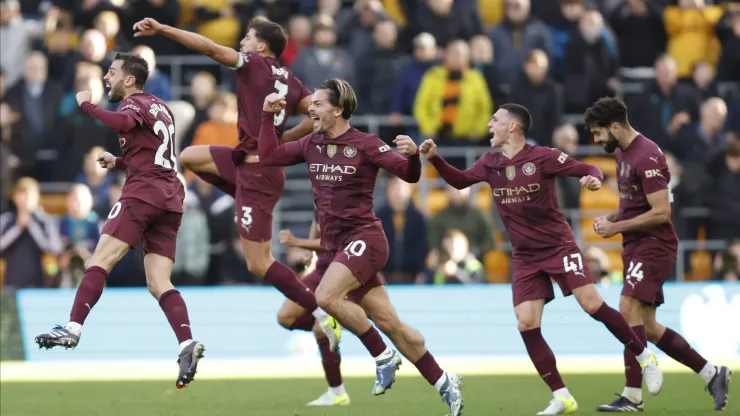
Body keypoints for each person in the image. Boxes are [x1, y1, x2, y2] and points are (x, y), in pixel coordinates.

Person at [419, 103, 663, 416]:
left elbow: (586, 168)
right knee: (526, 322)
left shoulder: (543, 157)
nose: (489, 124)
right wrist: (435, 158)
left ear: (513, 127)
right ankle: (562, 396)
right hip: (525, 256)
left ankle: (645, 358)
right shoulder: (489, 162)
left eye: (495, 119)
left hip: (559, 246)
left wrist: (593, 178)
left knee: (591, 304)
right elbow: (460, 180)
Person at [258, 79, 464, 416]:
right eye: (311, 104)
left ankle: (382, 355)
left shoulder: (366, 144)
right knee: (392, 324)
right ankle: (444, 382)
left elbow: (409, 176)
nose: (310, 109)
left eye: (318, 104)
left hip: (366, 240)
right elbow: (268, 156)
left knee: (325, 297)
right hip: (339, 248)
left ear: (338, 109)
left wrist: (412, 158)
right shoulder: (311, 143)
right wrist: (267, 116)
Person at [131, 17, 340, 349]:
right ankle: (240, 198)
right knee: (189, 156)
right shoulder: (289, 78)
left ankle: (320, 311)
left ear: (260, 46)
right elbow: (317, 116)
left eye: (247, 37)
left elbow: (211, 48)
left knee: (258, 262)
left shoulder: (252, 63)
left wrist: (164, 29)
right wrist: (285, 137)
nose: (241, 41)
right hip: (247, 164)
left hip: (259, 174)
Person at [34, 53, 204, 389]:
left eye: (111, 73)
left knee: (99, 260)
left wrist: (87, 107)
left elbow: (124, 124)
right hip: (170, 199)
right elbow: (156, 156)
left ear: (129, 80)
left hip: (142, 196)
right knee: (159, 282)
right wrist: (120, 161)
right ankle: (186, 343)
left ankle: (72, 328)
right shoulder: (161, 107)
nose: (107, 78)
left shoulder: (133, 104)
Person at [585, 97, 731, 413]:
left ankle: (632, 395)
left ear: (614, 126)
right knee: (647, 327)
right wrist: (613, 218)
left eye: (598, 133)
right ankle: (712, 373)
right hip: (636, 245)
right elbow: (632, 202)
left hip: (654, 245)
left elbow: (662, 212)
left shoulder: (647, 154)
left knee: (626, 307)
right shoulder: (624, 151)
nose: (596, 140)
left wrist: (618, 225)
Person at [277, 218, 350, 407]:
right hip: (320, 271)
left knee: (321, 330)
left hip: (343, 272)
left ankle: (337, 392)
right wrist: (310, 250)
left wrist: (297, 242)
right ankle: (333, 325)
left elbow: (335, 241)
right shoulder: (322, 192)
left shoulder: (348, 198)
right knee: (285, 317)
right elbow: (317, 220)